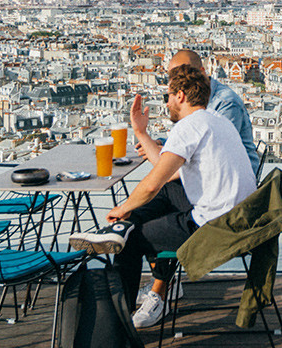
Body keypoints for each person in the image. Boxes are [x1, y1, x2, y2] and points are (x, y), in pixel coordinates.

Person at [72, 63, 257, 329]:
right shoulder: (217, 122)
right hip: (240, 217)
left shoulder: (188, 127)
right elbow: (167, 175)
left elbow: (152, 184)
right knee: (169, 195)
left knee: (130, 240)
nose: (167, 103)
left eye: (167, 96)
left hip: (215, 227)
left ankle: (117, 328)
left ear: (181, 95)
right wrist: (140, 132)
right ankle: (118, 229)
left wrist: (123, 208)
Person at [137, 49, 262, 182]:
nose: (178, 82)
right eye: (173, 77)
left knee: (159, 187)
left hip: (232, 181)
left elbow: (212, 152)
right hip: (213, 177)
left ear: (201, 72)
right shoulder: (189, 99)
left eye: (184, 75)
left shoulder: (226, 103)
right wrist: (162, 143)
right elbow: (191, 140)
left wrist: (167, 152)